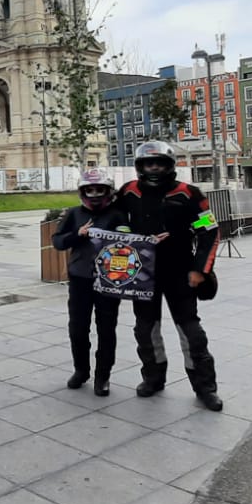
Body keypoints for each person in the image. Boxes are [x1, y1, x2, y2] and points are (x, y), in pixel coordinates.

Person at [105, 140, 223, 411]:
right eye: (149, 163)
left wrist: (200, 269)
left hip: (181, 271)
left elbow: (209, 231)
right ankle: (153, 378)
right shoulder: (128, 191)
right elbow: (115, 220)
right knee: (146, 330)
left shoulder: (189, 193)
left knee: (191, 332)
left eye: (159, 163)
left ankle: (205, 387)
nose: (154, 168)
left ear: (170, 166)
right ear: (140, 166)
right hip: (142, 273)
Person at [50, 171, 120, 396]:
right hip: (80, 279)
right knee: (78, 328)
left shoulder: (118, 215)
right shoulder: (73, 214)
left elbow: (132, 242)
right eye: (90, 190)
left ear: (108, 192)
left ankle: (103, 376)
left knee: (106, 330)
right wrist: (78, 234)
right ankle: (81, 370)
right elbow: (58, 241)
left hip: (109, 280)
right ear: (82, 192)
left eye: (100, 190)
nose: (95, 194)